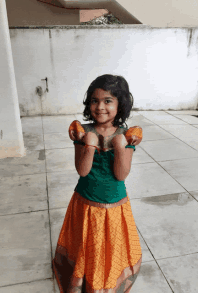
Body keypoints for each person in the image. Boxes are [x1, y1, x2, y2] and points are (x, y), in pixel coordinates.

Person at [52, 74, 142, 293]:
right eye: (94, 100)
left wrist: (121, 148)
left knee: (109, 245)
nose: (100, 106)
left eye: (108, 100)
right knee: (86, 242)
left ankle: (107, 276)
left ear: (120, 104)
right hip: (85, 201)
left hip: (114, 203)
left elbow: (121, 175)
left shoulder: (126, 136)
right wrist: (89, 146)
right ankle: (84, 276)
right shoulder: (82, 132)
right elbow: (82, 171)